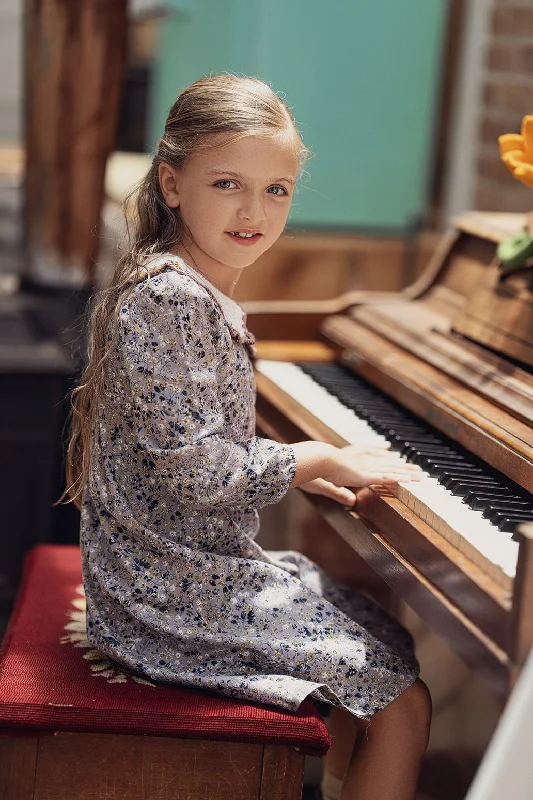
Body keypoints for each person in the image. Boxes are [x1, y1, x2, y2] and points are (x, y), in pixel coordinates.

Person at [64, 75, 431, 800]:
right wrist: (306, 459)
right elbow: (199, 475)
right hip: (163, 589)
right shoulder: (170, 298)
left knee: (382, 632)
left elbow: (199, 446)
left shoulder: (188, 285)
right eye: (227, 183)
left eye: (276, 191)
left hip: (182, 564)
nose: (252, 210)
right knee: (404, 701)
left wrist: (293, 468)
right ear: (172, 184)